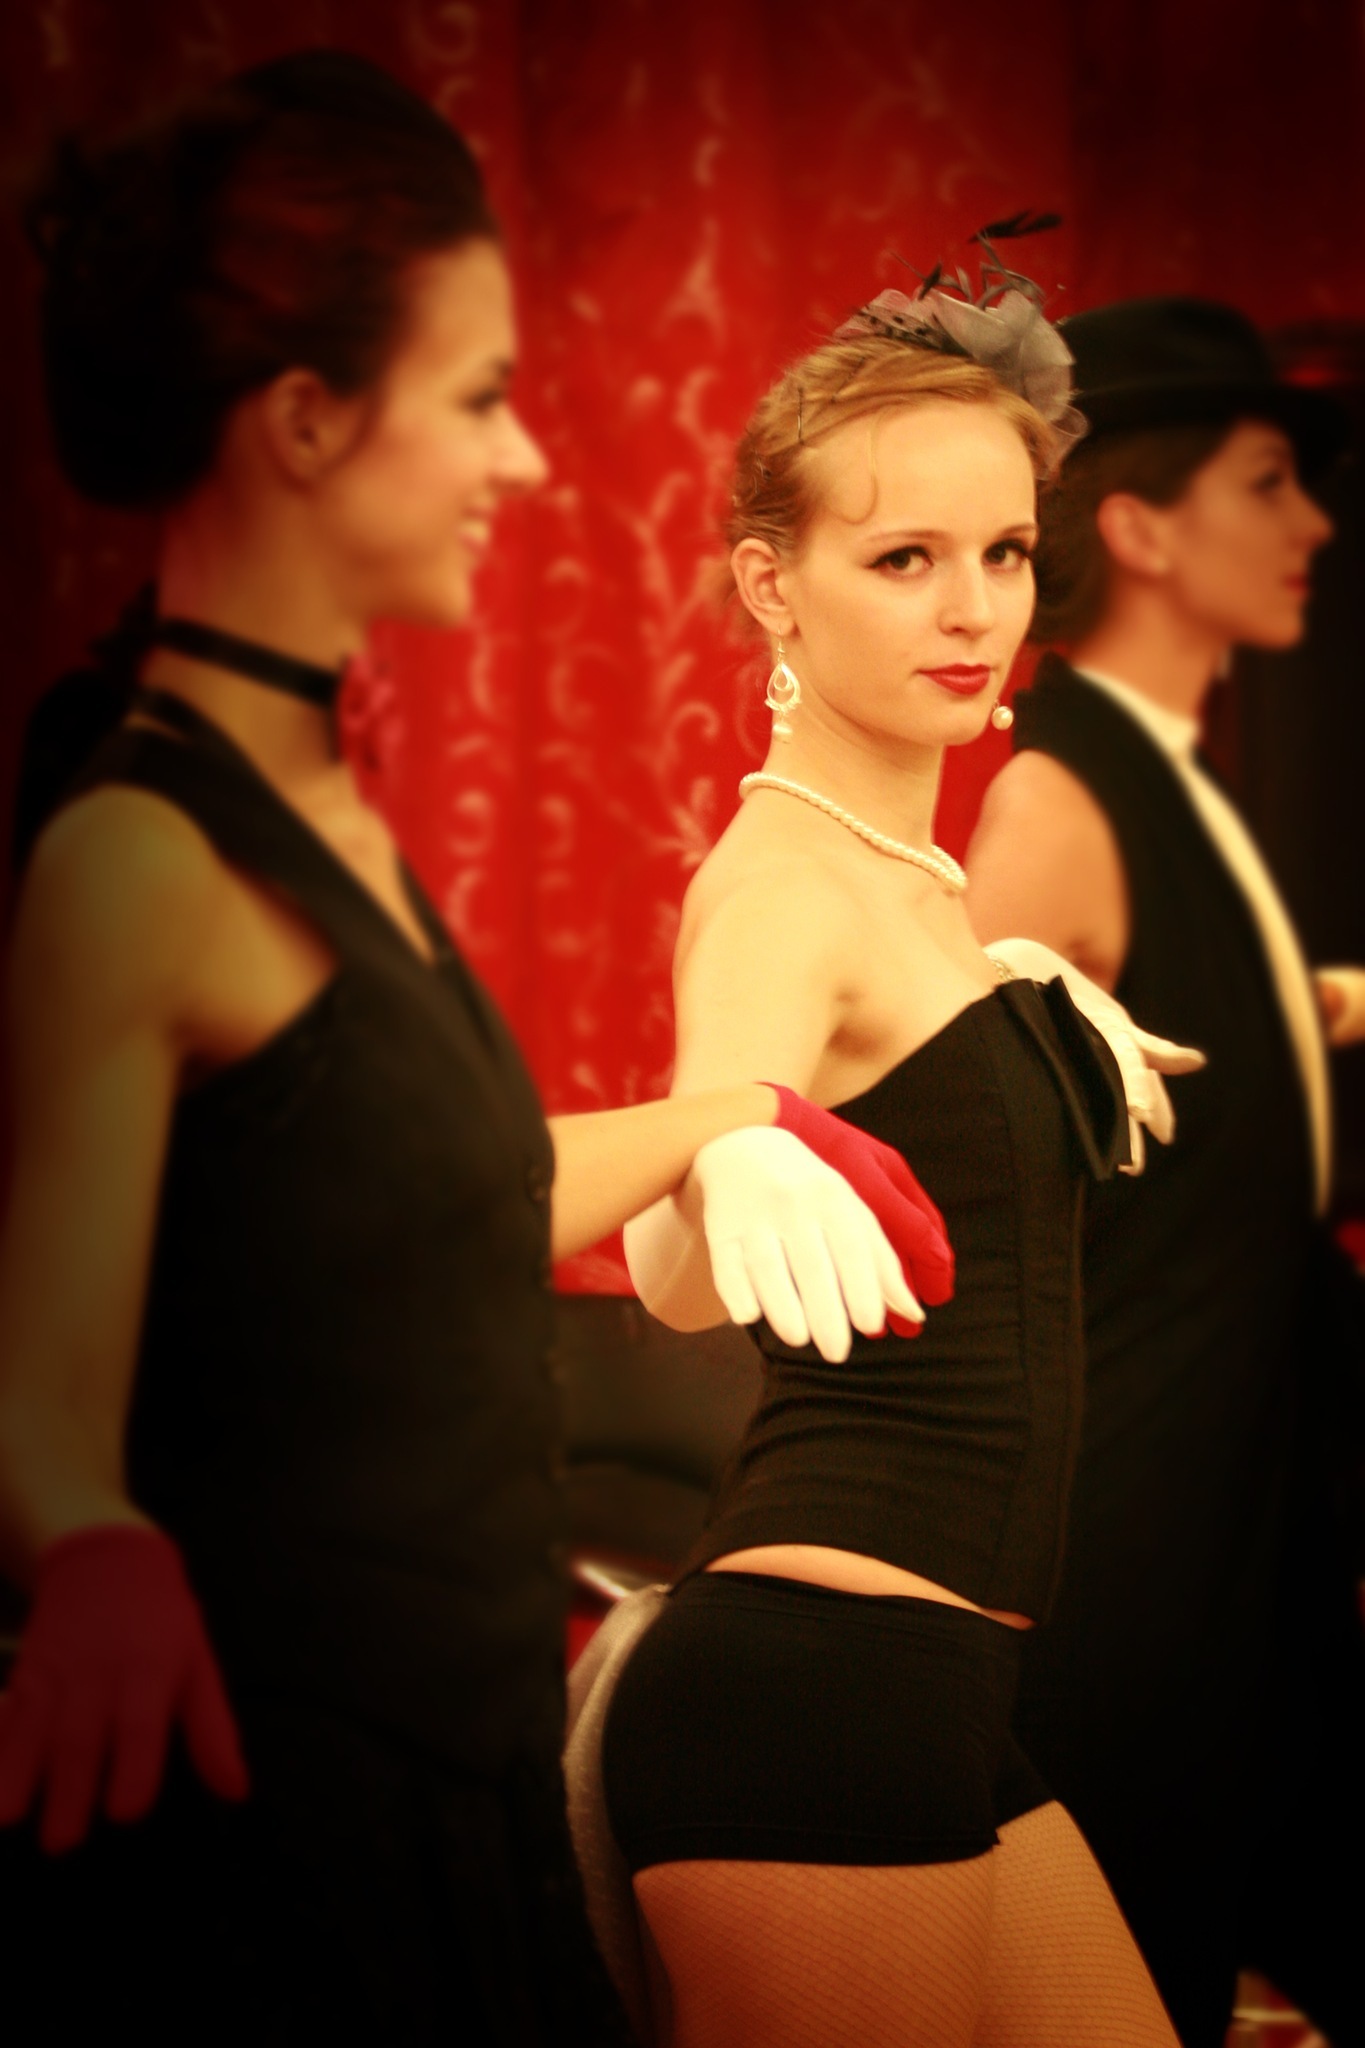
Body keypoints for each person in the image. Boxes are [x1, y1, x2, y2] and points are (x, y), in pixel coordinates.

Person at [0, 53, 952, 2047]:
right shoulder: (134, 852)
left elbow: (461, 1193)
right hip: (280, 1835)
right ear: (304, 421)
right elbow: (39, 1389)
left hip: (462, 1778)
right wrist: (86, 1544)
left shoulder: (330, 820)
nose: (519, 461)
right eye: (479, 398)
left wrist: (740, 1113)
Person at [596, 269, 1201, 2047]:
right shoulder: (787, 885)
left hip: (936, 1682)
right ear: (769, 584)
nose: (971, 609)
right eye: (902, 559)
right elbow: (672, 1271)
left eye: (1002, 553)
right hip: (816, 1682)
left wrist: (1003, 1009)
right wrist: (739, 1139)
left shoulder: (917, 897)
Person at [964, 295, 1365, 2048]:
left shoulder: (1171, 778)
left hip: (1244, 1541)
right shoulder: (1057, 805)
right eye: (1267, 483)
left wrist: (1324, 1004)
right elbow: (971, 1166)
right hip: (1138, 1566)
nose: (1312, 526)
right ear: (1136, 528)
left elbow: (1200, 1027)